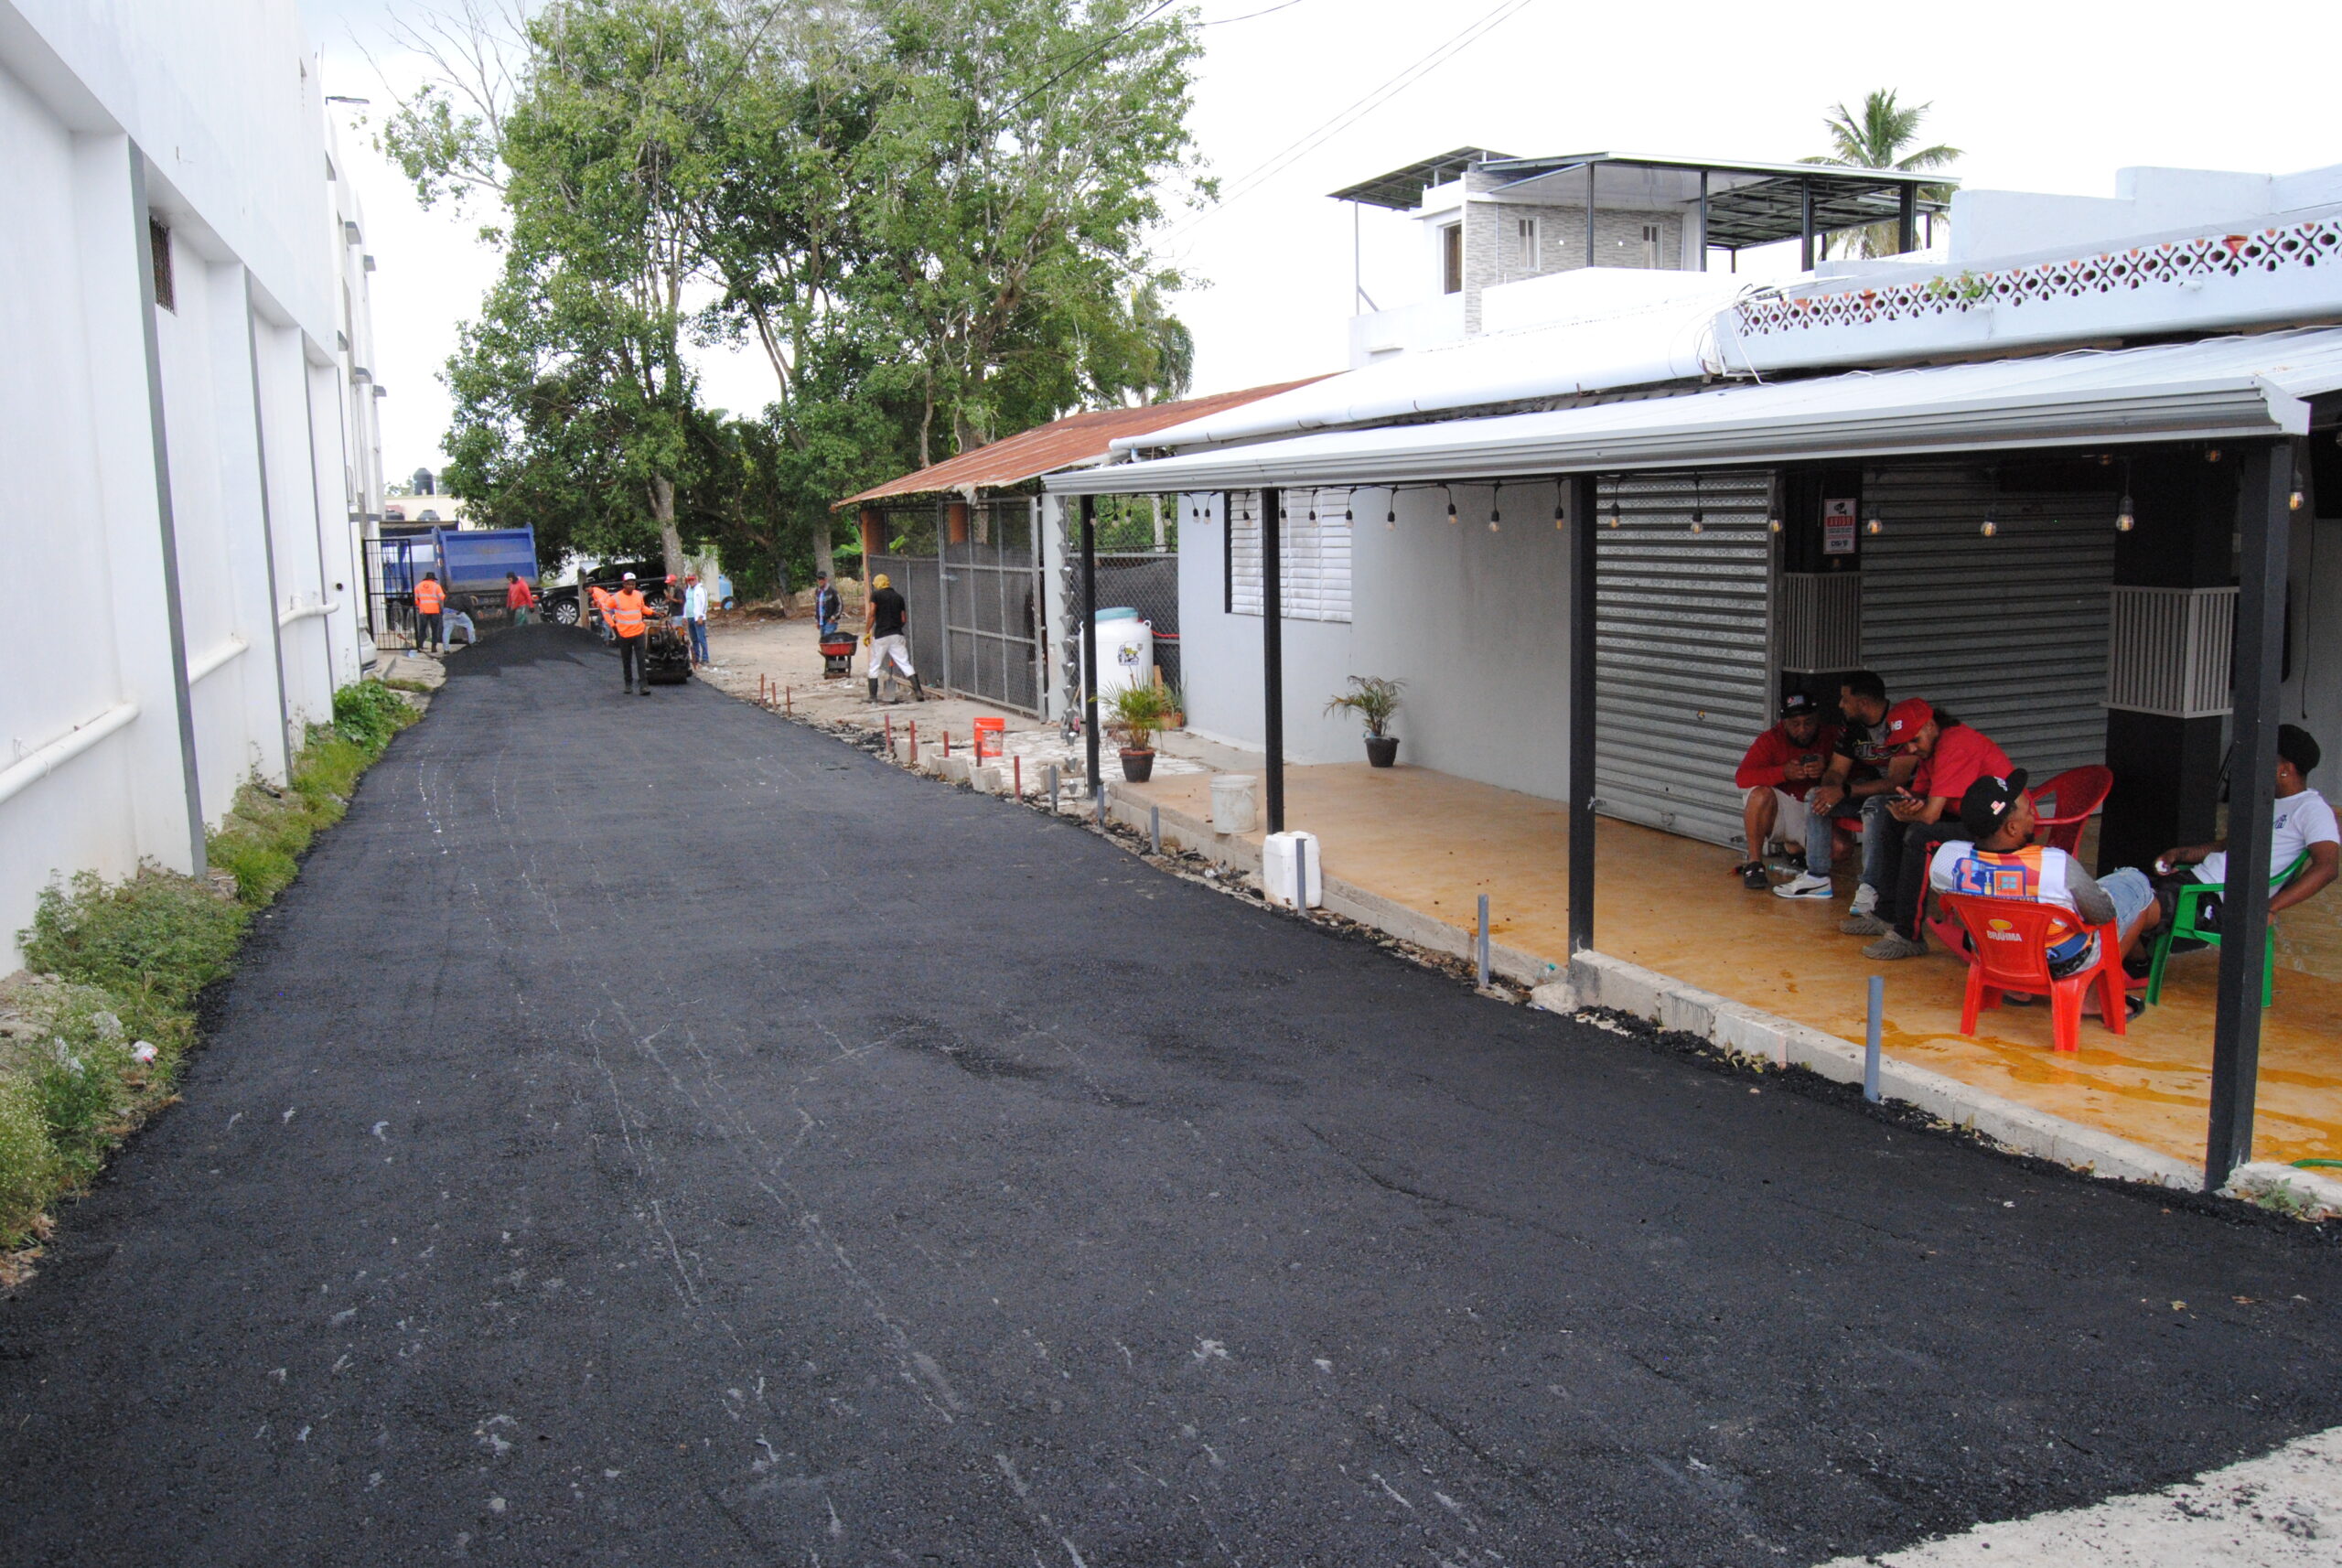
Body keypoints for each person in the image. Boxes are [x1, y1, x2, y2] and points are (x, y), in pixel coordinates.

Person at [1930, 771, 2158, 1013]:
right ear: (2012, 827)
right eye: (2029, 811)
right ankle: (2093, 997)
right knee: (2135, 884)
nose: (2034, 814)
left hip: (1994, 957)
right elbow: (2102, 916)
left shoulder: (1947, 860)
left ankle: (2016, 988)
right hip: (2063, 963)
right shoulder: (2055, 866)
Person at [1856, 699, 2017, 959]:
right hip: (1969, 817)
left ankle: (1909, 934)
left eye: (1914, 740)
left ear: (1930, 726)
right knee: (1892, 816)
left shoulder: (1955, 744)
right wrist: (1905, 806)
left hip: (2000, 827)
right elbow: (1920, 796)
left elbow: (1930, 815)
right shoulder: (1931, 748)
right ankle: (1886, 914)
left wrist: (1912, 812)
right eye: (1904, 744)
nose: (1910, 748)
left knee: (1921, 836)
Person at [2154, 724, 2339, 932]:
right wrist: (2178, 854)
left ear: (2284, 770)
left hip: (2218, 900)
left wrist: (2269, 908)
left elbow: (2327, 868)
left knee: (2132, 907)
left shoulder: (2311, 809)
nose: (2255, 761)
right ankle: (2137, 961)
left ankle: (2131, 962)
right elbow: (2231, 845)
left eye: (2264, 755)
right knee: (2122, 894)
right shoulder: (2267, 802)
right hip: (2196, 882)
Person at [1773, 671, 1916, 908]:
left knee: (1876, 806)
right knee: (1815, 795)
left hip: (1906, 798)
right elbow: (1837, 771)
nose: (1840, 704)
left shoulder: (1899, 723)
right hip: (1862, 791)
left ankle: (1871, 887)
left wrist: (1845, 791)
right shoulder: (1852, 725)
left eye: (1844, 699)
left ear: (1863, 703)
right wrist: (1830, 788)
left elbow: (1895, 782)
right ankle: (1817, 878)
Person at [1733, 693, 1841, 890]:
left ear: (1817, 719)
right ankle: (1755, 862)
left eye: (1808, 723)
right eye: (1795, 724)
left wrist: (1828, 770)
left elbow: (1854, 773)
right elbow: (1742, 778)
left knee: (1840, 850)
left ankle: (1794, 848)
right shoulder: (1771, 739)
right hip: (1782, 807)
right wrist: (1782, 772)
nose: (1802, 730)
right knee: (1759, 795)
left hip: (1814, 807)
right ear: (1784, 723)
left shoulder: (1832, 735)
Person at [863, 572, 925, 703]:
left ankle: (872, 696)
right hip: (897, 635)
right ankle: (918, 692)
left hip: (881, 636)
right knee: (904, 663)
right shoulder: (899, 597)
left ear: (878, 584)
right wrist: (896, 627)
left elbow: (872, 613)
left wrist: (867, 630)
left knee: (874, 665)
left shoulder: (876, 595)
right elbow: (903, 618)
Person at [609, 570, 652, 695]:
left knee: (641, 660)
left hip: (638, 633)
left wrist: (652, 612)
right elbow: (606, 609)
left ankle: (644, 686)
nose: (630, 586)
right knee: (626, 660)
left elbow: (642, 608)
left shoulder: (639, 595)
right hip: (624, 635)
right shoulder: (616, 597)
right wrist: (613, 624)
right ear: (623, 584)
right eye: (628, 584)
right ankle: (628, 684)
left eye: (633, 584)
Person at [413, 572, 446, 654]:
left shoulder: (418, 586)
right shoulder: (436, 586)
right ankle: (433, 647)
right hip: (434, 610)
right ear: (433, 579)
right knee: (435, 629)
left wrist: (420, 604)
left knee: (422, 629)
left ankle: (420, 646)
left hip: (423, 611)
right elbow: (442, 597)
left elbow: (415, 599)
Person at [682, 573, 710, 665]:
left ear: (696, 579)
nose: (691, 582)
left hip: (698, 617)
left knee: (701, 638)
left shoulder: (701, 589)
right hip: (690, 616)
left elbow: (705, 604)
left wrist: (701, 616)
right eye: (689, 580)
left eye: (692, 580)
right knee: (694, 639)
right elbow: (687, 603)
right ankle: (696, 657)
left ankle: (705, 657)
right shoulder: (688, 590)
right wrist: (685, 616)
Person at [812, 571, 842, 638]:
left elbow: (840, 605)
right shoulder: (817, 591)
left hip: (830, 621)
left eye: (822, 579)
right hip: (822, 621)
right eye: (819, 579)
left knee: (827, 639)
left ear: (826, 579)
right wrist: (817, 620)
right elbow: (817, 607)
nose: (821, 581)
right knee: (823, 641)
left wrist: (833, 617)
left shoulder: (832, 591)